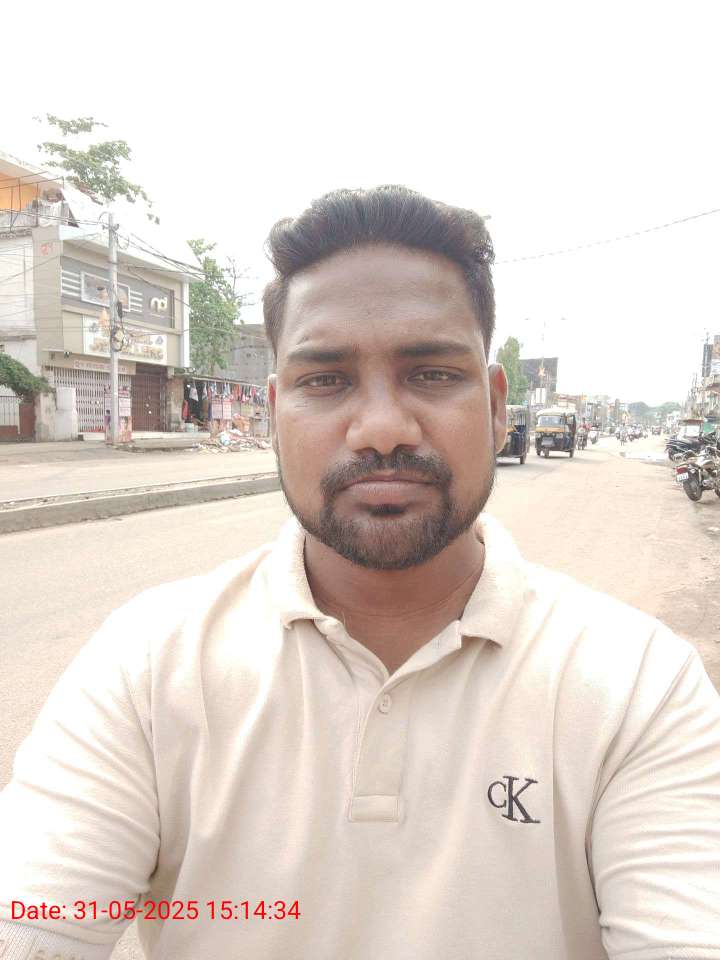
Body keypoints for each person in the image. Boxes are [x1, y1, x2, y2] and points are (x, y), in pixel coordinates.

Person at [1, 185, 719, 960]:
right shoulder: (148, 665)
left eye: (432, 374)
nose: (380, 429)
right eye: (326, 380)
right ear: (275, 411)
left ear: (496, 406)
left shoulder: (638, 685)